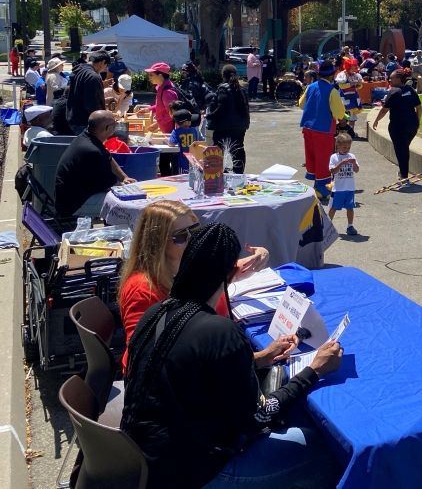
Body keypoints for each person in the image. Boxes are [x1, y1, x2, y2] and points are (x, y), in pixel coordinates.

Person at [121, 223, 342, 489]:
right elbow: (258, 417)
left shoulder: (155, 313)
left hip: (143, 455)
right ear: (234, 272)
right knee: (325, 451)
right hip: (193, 473)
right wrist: (314, 371)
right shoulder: (219, 331)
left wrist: (259, 358)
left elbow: (193, 367)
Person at [118, 201, 270, 369]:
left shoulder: (188, 265)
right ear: (158, 243)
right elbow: (142, 357)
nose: (193, 240)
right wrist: (257, 358)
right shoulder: (142, 289)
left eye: (196, 231)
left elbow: (226, 272)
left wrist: (260, 257)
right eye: (181, 236)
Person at [55, 110, 135, 217]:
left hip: (74, 198)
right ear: (107, 128)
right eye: (115, 123)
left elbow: (108, 158)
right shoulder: (92, 151)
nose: (116, 125)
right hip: (73, 206)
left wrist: (124, 177)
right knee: (127, 207)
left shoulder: (88, 137)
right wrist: (132, 191)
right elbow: (111, 185)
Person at [299, 60, 347, 201]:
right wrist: (342, 119)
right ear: (332, 75)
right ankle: (322, 189)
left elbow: (301, 104)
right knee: (323, 158)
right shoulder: (332, 91)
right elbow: (339, 112)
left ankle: (317, 184)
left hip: (308, 127)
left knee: (312, 155)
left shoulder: (310, 87)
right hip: (323, 129)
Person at [370, 69, 422, 180]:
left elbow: (384, 110)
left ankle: (404, 175)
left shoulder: (393, 92)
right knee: (404, 148)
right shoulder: (410, 90)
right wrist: (417, 121)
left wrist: (376, 120)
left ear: (398, 79)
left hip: (398, 127)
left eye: (392, 78)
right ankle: (402, 172)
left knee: (401, 150)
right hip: (412, 126)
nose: (390, 80)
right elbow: (419, 107)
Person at [205, 64, 251, 174]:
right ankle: (239, 174)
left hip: (224, 126)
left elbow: (221, 107)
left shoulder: (223, 88)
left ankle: (217, 175)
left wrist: (209, 116)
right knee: (238, 149)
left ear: (223, 75)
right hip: (240, 125)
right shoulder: (241, 88)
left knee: (218, 150)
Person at [65, 51, 110, 132]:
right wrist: (102, 120)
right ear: (103, 62)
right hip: (85, 121)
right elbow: (92, 103)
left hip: (73, 116)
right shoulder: (93, 76)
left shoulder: (79, 70)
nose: (105, 69)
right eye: (106, 66)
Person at [327, 132, 360, 236]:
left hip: (349, 188)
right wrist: (341, 163)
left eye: (348, 147)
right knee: (334, 207)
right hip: (338, 188)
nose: (347, 149)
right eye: (344, 147)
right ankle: (327, 226)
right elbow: (332, 171)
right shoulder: (334, 157)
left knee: (350, 207)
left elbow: (357, 170)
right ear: (338, 145)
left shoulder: (351, 156)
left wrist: (354, 163)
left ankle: (350, 225)